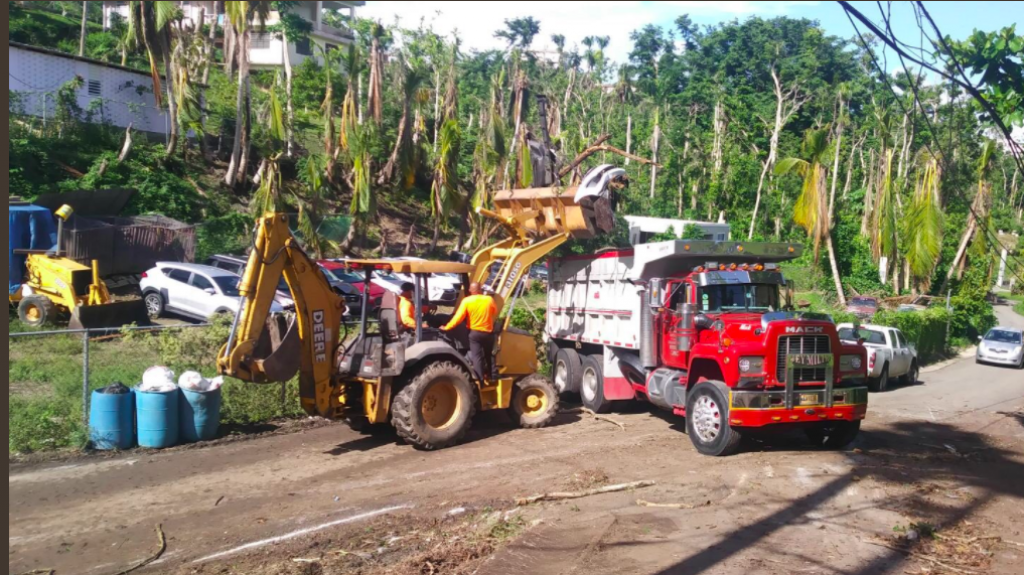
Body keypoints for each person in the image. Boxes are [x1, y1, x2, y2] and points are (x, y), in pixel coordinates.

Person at [442, 283, 498, 382]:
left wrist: (447, 327)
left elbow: (458, 318)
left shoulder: (467, 301)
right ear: (480, 290)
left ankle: (480, 380)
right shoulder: (489, 299)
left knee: (477, 357)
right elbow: (494, 311)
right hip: (488, 332)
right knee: (489, 354)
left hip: (475, 333)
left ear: (471, 291)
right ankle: (493, 376)